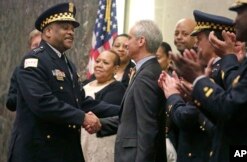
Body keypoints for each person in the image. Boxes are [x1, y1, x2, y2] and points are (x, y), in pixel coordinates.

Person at [7, 3, 119, 162]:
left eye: (72, 29)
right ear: (48, 32)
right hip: (39, 151)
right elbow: (43, 103)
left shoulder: (68, 64)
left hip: (65, 149)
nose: (71, 32)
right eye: (65, 27)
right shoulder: (34, 61)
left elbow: (81, 101)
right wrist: (83, 118)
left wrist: (123, 109)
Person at [168, 1, 247, 161]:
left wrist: (198, 81)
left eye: (240, 12)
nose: (235, 20)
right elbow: (229, 116)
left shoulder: (221, 69)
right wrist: (196, 95)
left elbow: (230, 108)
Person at [94, 20, 166, 162]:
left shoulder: (146, 75)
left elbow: (147, 128)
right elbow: (130, 118)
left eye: (130, 38)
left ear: (141, 41)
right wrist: (100, 123)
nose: (126, 43)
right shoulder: (146, 70)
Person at [81, 50, 126, 162]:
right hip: (81, 139)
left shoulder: (117, 88)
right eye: (97, 61)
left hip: (101, 142)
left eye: (105, 63)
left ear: (115, 69)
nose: (99, 65)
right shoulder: (85, 84)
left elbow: (104, 113)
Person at [6, 29, 42, 111]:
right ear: (30, 48)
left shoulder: (54, 69)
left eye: (41, 44)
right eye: (35, 45)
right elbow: (11, 103)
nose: (38, 48)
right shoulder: (20, 70)